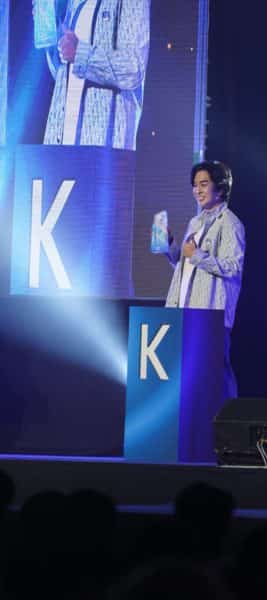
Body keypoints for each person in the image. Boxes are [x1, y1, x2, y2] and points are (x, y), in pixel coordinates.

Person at [165, 160, 245, 399]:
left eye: (203, 184)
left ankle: (228, 417)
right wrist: (170, 245)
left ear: (220, 187)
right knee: (190, 377)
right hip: (185, 311)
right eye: (194, 185)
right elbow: (185, 265)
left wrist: (197, 255)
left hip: (211, 315)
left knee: (215, 375)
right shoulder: (196, 222)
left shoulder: (230, 223)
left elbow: (233, 267)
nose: (197, 190)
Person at [42, 0, 150, 149]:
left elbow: (133, 69)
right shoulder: (72, 3)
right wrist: (49, 32)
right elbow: (64, 72)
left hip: (101, 148)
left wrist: (80, 53)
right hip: (59, 143)